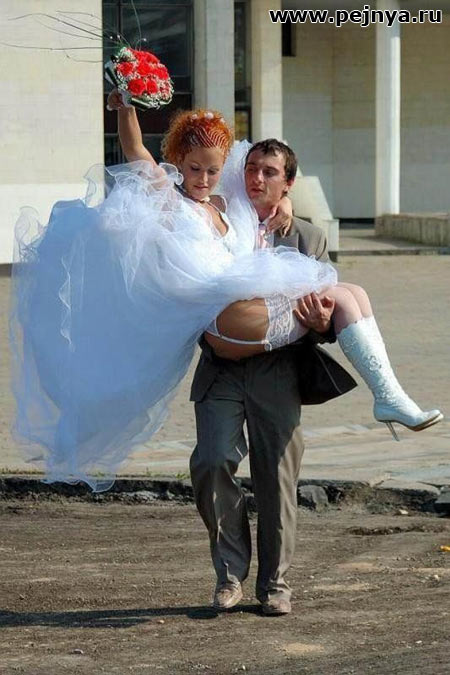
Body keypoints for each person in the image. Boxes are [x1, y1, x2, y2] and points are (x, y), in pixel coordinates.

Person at [108, 96, 441, 614]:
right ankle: (229, 575)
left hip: (277, 368)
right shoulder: (222, 205)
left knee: (278, 479)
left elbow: (327, 322)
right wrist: (126, 107)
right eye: (252, 169)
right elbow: (142, 159)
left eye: (270, 173)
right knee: (211, 462)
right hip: (222, 363)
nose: (256, 178)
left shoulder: (304, 234)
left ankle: (276, 585)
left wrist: (317, 322)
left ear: (288, 183)